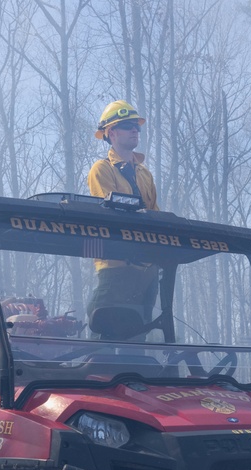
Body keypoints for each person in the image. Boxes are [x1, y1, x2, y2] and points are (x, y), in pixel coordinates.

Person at [86, 100, 159, 339]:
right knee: (100, 335)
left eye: (137, 126)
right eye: (128, 126)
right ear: (111, 132)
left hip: (146, 272)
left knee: (139, 336)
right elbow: (109, 216)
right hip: (114, 269)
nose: (135, 130)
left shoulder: (144, 173)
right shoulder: (102, 170)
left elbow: (155, 216)